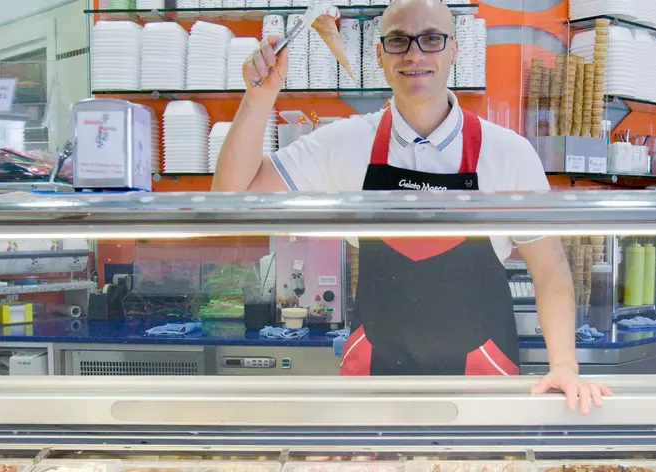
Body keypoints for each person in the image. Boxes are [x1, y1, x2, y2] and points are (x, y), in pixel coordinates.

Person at [212, 0, 611, 414]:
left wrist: (564, 364)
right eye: (399, 41)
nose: (415, 54)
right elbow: (229, 200)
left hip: (482, 387)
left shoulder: (509, 153)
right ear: (380, 54)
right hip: (376, 387)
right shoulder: (344, 144)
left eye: (432, 39)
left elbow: (549, 269)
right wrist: (258, 98)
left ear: (454, 50)